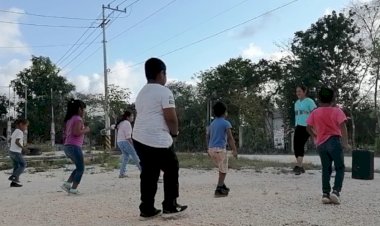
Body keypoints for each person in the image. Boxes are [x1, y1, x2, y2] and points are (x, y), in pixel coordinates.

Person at [132, 57, 187, 219]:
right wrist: (175, 133)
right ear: (161, 73)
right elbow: (171, 117)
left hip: (139, 138)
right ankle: (170, 205)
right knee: (172, 167)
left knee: (149, 173)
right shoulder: (164, 91)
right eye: (165, 73)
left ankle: (146, 209)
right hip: (157, 138)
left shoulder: (141, 93)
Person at [306, 87, 350, 205]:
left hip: (321, 144)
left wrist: (315, 135)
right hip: (334, 141)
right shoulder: (337, 111)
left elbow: (308, 127)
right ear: (332, 99)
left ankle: (325, 194)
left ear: (319, 99)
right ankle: (335, 192)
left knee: (326, 168)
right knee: (339, 167)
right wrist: (345, 143)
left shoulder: (315, 112)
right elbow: (343, 126)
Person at [206, 102, 238, 197]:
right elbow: (230, 138)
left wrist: (208, 148)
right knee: (224, 169)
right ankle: (219, 188)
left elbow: (207, 136)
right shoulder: (226, 123)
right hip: (220, 150)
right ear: (225, 112)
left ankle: (222, 185)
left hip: (211, 149)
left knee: (221, 167)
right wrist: (234, 150)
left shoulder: (212, 124)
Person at [60, 99, 90, 195]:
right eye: (83, 109)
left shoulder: (70, 119)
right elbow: (76, 132)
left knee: (78, 167)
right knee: (81, 168)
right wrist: (85, 130)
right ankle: (73, 189)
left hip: (68, 146)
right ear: (79, 109)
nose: (84, 111)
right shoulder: (78, 119)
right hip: (74, 146)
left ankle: (68, 184)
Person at [293, 85, 317, 175]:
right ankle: (300, 166)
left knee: (300, 145)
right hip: (298, 125)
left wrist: (314, 126)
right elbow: (297, 115)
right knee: (296, 146)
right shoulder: (296, 103)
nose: (298, 93)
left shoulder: (310, 101)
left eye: (299, 91)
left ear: (304, 91)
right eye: (297, 91)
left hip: (306, 126)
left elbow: (315, 113)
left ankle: (298, 166)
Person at [116, 110, 141, 178]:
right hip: (125, 142)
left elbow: (115, 127)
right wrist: (134, 145)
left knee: (126, 157)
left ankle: (121, 173)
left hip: (119, 142)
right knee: (135, 156)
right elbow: (128, 137)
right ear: (128, 117)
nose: (133, 117)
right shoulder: (127, 123)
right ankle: (144, 172)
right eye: (132, 116)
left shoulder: (121, 123)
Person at [8, 119, 29, 187]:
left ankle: (13, 183)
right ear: (21, 124)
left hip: (11, 152)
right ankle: (14, 176)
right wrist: (23, 148)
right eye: (25, 126)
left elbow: (9, 140)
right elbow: (17, 142)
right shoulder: (20, 132)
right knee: (23, 164)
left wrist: (16, 146)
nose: (26, 128)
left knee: (16, 167)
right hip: (16, 152)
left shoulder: (15, 131)